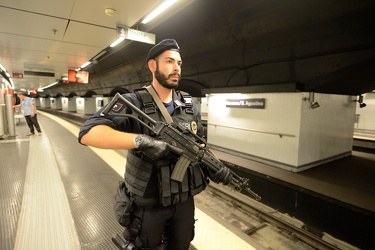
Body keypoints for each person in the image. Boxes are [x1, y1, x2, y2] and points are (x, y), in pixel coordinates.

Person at [78, 39, 230, 250]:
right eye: (169, 61)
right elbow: (88, 133)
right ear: (152, 65)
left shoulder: (188, 104)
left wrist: (213, 166)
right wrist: (140, 141)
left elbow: (199, 145)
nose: (176, 67)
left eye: (179, 63)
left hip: (184, 202)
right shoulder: (133, 102)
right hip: (148, 205)